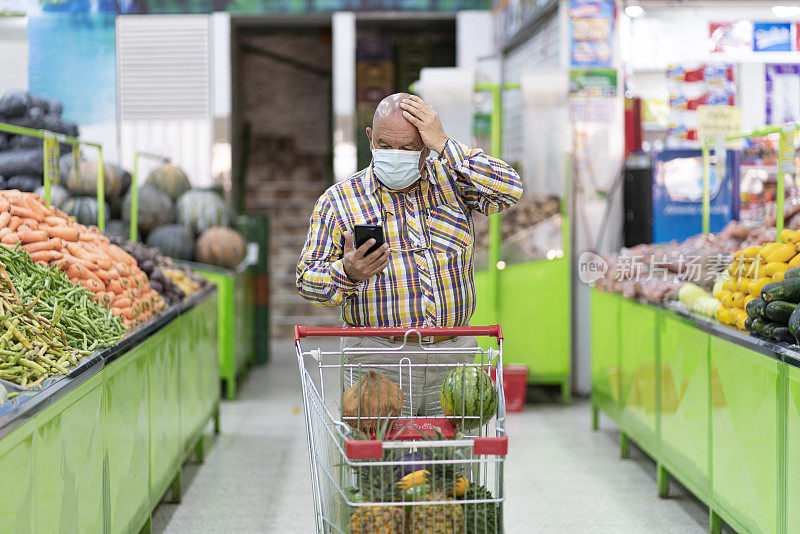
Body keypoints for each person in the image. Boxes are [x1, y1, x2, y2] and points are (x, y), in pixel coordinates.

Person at [297, 93, 523, 416]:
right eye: (385, 147)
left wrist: (447, 145)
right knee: (378, 464)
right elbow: (307, 279)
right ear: (370, 139)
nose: (394, 156)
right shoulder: (338, 202)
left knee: (451, 464)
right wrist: (347, 273)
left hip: (452, 360)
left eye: (406, 149)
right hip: (377, 364)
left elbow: (510, 188)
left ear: (426, 148)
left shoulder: (453, 184)